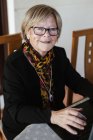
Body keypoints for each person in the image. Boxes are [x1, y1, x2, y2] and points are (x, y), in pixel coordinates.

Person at [2, 4, 93, 140]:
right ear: (28, 32)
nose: (46, 34)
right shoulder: (14, 64)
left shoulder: (59, 54)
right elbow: (16, 110)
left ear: (57, 34)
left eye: (52, 29)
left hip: (57, 117)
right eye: (39, 29)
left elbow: (77, 82)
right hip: (23, 125)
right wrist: (52, 116)